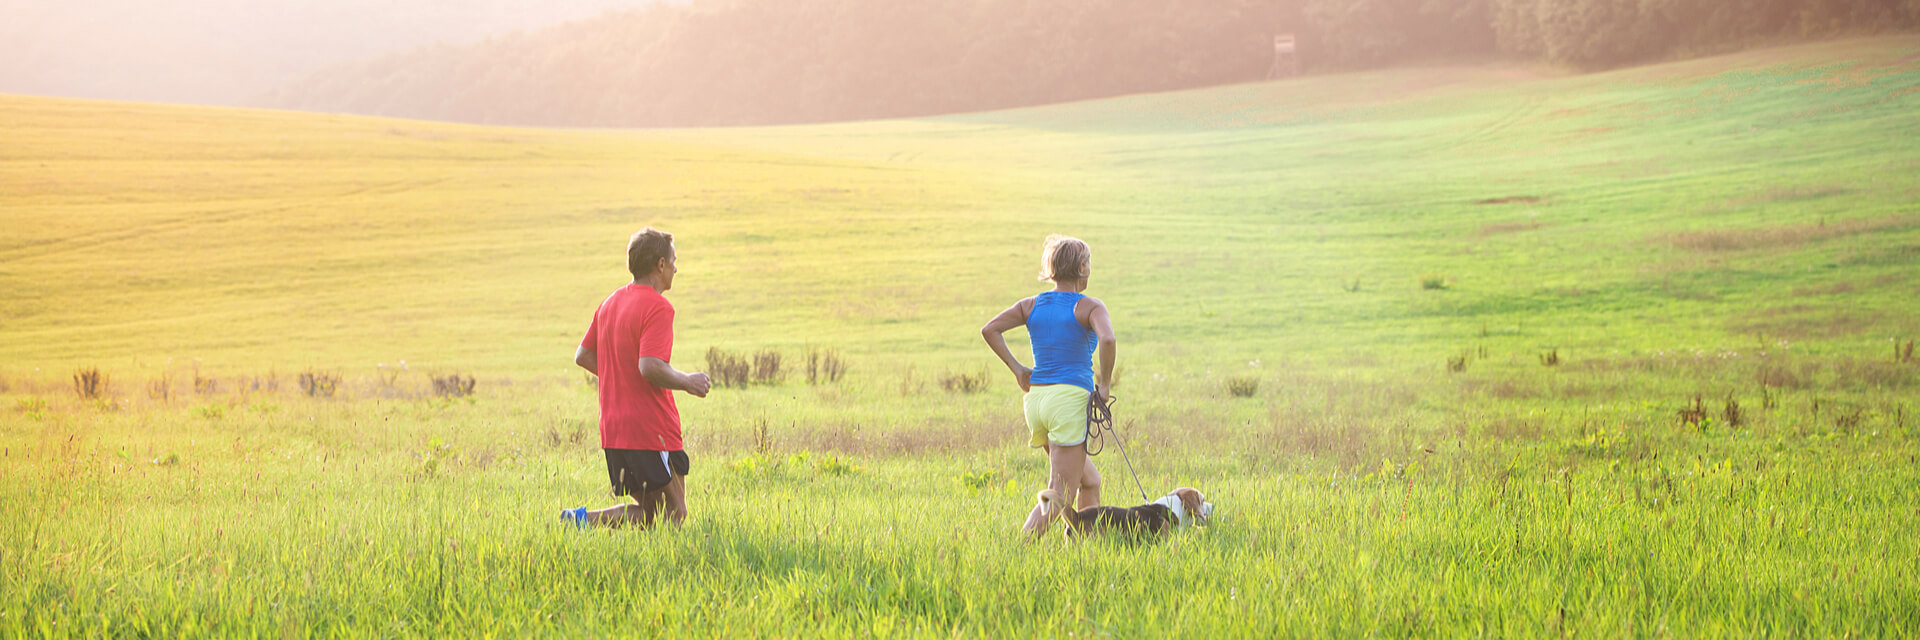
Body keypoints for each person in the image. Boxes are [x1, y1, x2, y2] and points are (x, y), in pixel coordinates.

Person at [563, 227, 711, 528]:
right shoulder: (658, 307)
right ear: (660, 264)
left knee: (648, 514)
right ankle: (671, 569)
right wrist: (687, 381)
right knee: (676, 513)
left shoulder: (609, 303)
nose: (676, 268)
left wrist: (621, 376)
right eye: (673, 260)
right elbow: (650, 366)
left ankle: (579, 521)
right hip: (649, 429)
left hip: (614, 430)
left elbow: (583, 355)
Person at [980, 234, 1117, 539]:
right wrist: (1104, 386)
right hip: (1068, 403)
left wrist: (1019, 371)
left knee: (1089, 481)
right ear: (1082, 267)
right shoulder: (1090, 307)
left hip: (1037, 401)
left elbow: (990, 330)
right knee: (1061, 491)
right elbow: (1108, 339)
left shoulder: (1031, 305)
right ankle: (1021, 547)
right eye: (1089, 263)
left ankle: (1082, 550)